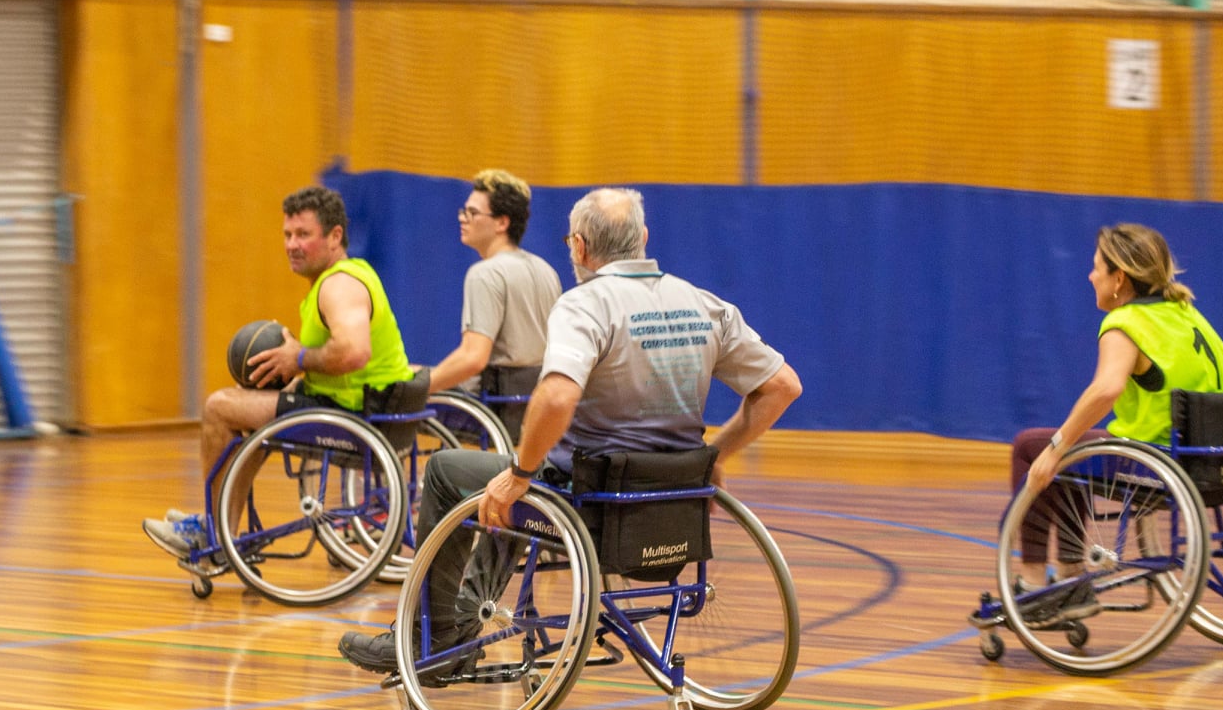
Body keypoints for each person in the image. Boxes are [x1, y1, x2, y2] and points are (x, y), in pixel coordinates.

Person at [337, 186, 802, 672]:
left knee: (453, 472)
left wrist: (519, 472)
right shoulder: (705, 305)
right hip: (673, 504)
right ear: (643, 238)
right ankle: (460, 616)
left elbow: (558, 396)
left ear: (578, 247)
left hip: (591, 504)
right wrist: (715, 457)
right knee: (519, 480)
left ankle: (426, 641)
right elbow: (782, 387)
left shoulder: (585, 305)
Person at [143, 185, 417, 572]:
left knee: (219, 408)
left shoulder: (338, 285)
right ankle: (222, 528)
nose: (291, 244)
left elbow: (355, 351)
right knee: (243, 404)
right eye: (287, 235)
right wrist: (295, 368)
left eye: (303, 234)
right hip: (359, 406)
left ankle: (215, 533)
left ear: (335, 236)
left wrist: (299, 357)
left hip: (353, 417)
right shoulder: (345, 278)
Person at [1009, 224, 1223, 612]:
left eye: (1096, 268)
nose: (1090, 276)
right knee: (1079, 448)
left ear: (1119, 278)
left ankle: (1033, 582)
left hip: (1160, 463)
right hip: (1217, 462)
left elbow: (1106, 390)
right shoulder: (1188, 315)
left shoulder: (1125, 324)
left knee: (1034, 447)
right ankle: (1068, 574)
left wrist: (1055, 448)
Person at [425, 169, 563, 439]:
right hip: (534, 407)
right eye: (464, 211)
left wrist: (418, 388)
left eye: (473, 213)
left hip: (493, 409)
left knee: (397, 390)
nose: (463, 219)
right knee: (416, 373)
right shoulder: (547, 270)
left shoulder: (484, 273)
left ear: (501, 223)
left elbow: (473, 358)